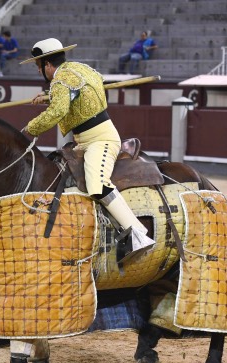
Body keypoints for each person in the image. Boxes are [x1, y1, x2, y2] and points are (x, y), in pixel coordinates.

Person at [21, 38, 155, 264]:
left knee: (97, 184)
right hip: (86, 140)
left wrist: (30, 128)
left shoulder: (60, 80)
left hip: (100, 141)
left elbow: (58, 112)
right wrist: (49, 96)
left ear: (47, 65)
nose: (38, 70)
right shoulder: (81, 69)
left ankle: (137, 233)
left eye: (38, 66)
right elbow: (85, 91)